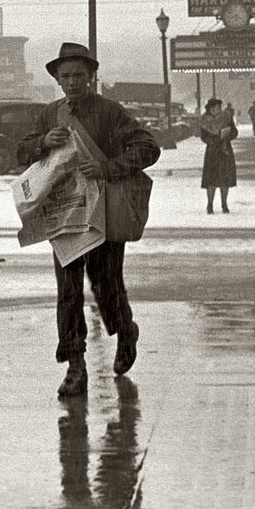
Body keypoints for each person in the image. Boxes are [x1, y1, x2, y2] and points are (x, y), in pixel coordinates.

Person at [18, 42, 161, 397]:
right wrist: (41, 143)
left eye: (79, 75)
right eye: (65, 76)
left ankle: (125, 331)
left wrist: (108, 167)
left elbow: (148, 147)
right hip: (64, 217)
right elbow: (21, 150)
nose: (72, 82)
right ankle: (74, 366)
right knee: (68, 292)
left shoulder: (110, 112)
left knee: (107, 286)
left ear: (91, 76)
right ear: (56, 78)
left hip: (103, 215)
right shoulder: (50, 114)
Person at [199, 97, 236, 214]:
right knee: (211, 180)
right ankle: (209, 205)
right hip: (212, 151)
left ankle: (224, 204)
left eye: (220, 107)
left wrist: (227, 136)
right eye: (216, 108)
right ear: (211, 109)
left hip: (225, 150)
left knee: (225, 179)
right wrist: (212, 140)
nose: (219, 109)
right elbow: (203, 136)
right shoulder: (205, 120)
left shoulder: (226, 117)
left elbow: (234, 132)